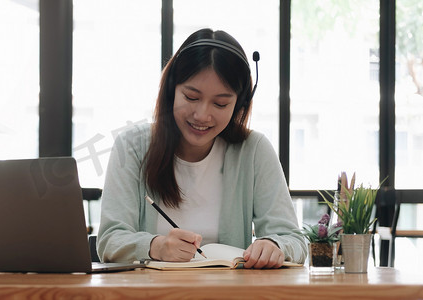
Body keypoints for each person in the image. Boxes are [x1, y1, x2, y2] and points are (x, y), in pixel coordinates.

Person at [96, 28, 307, 268]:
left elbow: (295, 240)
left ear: (239, 105)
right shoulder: (132, 147)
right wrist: (156, 246)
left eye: (220, 103)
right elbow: (109, 240)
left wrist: (273, 245)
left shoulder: (254, 150)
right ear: (171, 91)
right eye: (191, 97)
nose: (202, 115)